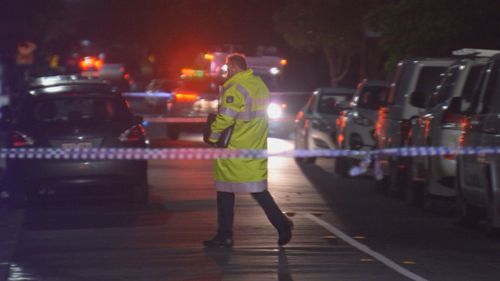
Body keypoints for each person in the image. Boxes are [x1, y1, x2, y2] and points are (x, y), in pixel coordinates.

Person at [204, 53, 293, 248]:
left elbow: (226, 118)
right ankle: (282, 225)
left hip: (234, 150)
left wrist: (211, 137)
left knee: (225, 192)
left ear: (234, 67)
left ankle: (225, 236)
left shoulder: (235, 88)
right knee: (258, 191)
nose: (227, 72)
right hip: (255, 148)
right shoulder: (259, 85)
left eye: (228, 68)